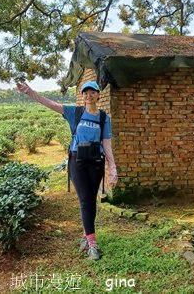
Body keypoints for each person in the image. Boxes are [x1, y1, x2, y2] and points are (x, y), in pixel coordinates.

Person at [16, 80, 118, 260]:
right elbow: (50, 104)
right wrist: (30, 92)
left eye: (92, 92)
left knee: (91, 201)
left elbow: (107, 145)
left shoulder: (103, 118)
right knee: (85, 200)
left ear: (97, 95)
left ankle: (86, 236)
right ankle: (93, 245)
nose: (89, 95)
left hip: (96, 162)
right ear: (82, 95)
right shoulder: (75, 112)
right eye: (85, 92)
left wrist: (112, 168)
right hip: (77, 161)